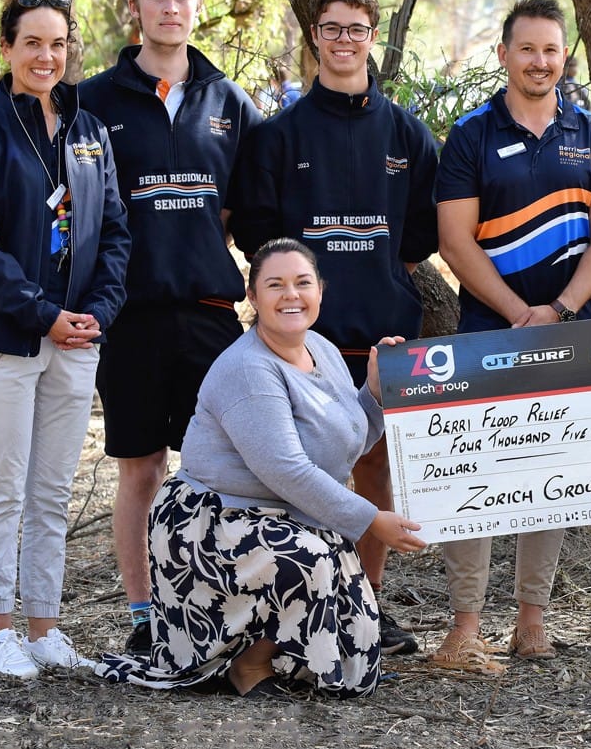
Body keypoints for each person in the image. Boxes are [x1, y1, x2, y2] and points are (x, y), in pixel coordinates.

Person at [96, 239, 426, 697]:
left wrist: (372, 393)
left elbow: (343, 445)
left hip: (279, 515)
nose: (291, 294)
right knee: (313, 561)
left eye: (302, 283)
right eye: (275, 285)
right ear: (253, 297)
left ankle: (273, 649)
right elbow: (287, 470)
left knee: (355, 635)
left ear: (320, 291)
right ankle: (247, 667)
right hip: (212, 522)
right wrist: (372, 520)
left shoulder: (322, 349)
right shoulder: (248, 368)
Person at [230, 0, 440, 656]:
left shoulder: (406, 133)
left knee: (373, 474)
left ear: (372, 39)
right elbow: (257, 233)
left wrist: (376, 272)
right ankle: (297, 611)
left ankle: (367, 609)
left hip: (379, 331)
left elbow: (421, 235)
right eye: (331, 28)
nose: (344, 40)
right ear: (313, 37)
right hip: (299, 341)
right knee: (300, 478)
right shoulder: (278, 134)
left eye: (357, 29)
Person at [78, 0, 262, 657]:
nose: (170, 8)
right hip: (127, 316)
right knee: (141, 469)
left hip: (211, 313)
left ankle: (214, 609)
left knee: (218, 469)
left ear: (198, 6)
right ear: (135, 7)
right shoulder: (95, 101)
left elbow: (252, 214)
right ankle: (143, 613)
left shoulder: (229, 100)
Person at [432, 0, 591, 669]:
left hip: (569, 329)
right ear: (503, 55)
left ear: (563, 55)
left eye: (551, 49)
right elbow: (455, 241)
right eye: (528, 48)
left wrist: (563, 309)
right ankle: (466, 625)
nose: (541, 60)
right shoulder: (470, 135)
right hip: (489, 327)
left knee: (553, 470)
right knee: (476, 474)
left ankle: (531, 622)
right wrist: (517, 311)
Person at [0, 0, 131, 679]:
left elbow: (114, 230)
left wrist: (98, 312)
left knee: (52, 490)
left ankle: (45, 627)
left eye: (57, 44)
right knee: (5, 486)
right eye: (32, 43)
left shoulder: (90, 133)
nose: (46, 56)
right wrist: (41, 312)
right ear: (7, 49)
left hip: (77, 339)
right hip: (6, 337)